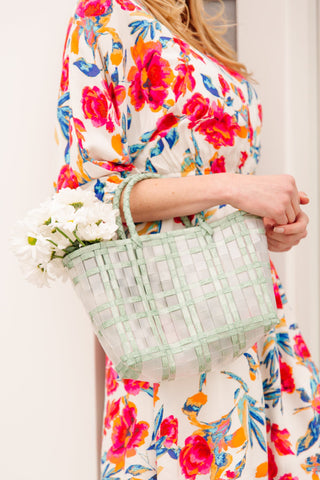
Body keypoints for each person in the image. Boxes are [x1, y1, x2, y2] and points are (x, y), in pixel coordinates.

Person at [54, 0, 320, 478]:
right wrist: (233, 187)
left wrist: (266, 224)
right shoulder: (105, 13)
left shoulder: (202, 34)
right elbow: (83, 196)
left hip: (250, 305)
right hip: (172, 317)